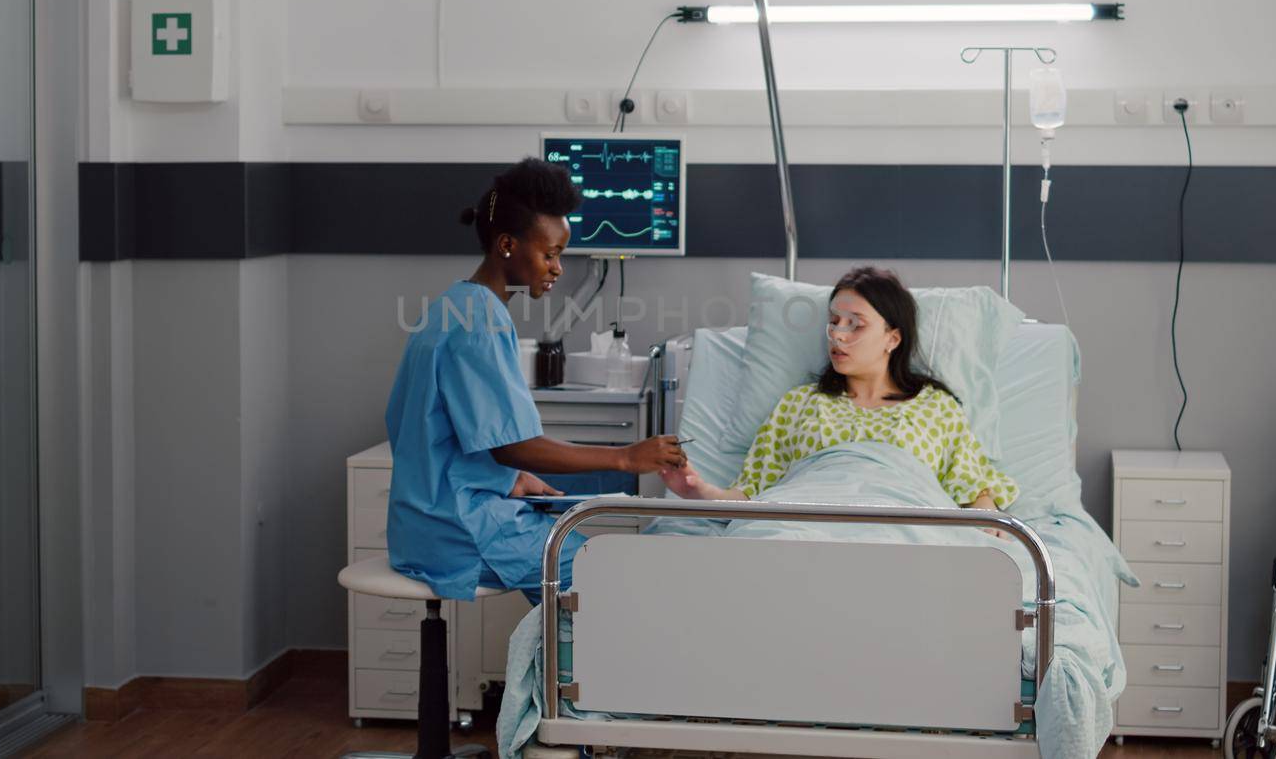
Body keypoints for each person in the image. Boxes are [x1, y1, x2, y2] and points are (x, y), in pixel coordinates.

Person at [385, 157, 685, 604]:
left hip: (422, 522)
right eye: (550, 254)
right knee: (602, 572)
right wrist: (624, 457)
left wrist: (509, 482)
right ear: (507, 244)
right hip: (459, 531)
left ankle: (557, 668)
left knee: (565, 558)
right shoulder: (480, 321)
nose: (557, 268)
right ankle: (569, 674)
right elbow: (512, 446)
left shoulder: (451, 307)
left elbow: (437, 440)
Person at [661, 266, 1018, 524]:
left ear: (893, 338)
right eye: (834, 321)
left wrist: (986, 524)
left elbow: (974, 489)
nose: (837, 335)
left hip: (903, 535)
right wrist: (699, 491)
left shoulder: (934, 408)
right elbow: (752, 495)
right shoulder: (800, 404)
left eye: (855, 325)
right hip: (802, 530)